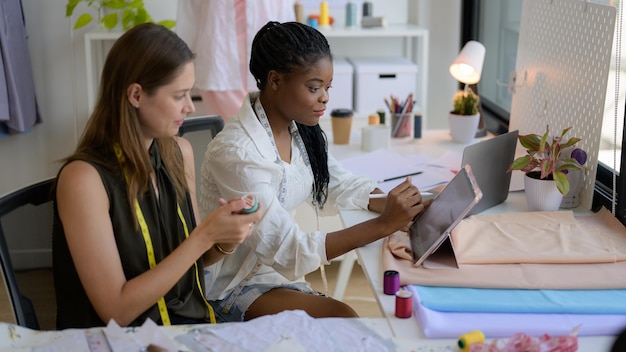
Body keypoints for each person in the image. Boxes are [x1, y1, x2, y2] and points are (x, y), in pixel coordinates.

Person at [199, 21, 427, 322]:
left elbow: (336, 182)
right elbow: (289, 250)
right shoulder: (238, 154)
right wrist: (384, 224)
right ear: (275, 80)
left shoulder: (298, 129)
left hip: (270, 273)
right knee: (343, 318)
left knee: (344, 319)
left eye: (327, 88)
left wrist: (398, 202)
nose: (325, 98)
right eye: (314, 87)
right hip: (228, 286)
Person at [52, 23, 262, 329]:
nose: (190, 107)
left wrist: (224, 239)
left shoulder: (178, 154)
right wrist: (204, 235)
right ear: (136, 94)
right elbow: (117, 311)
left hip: (188, 328)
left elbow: (185, 266)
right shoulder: (83, 180)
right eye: (180, 95)